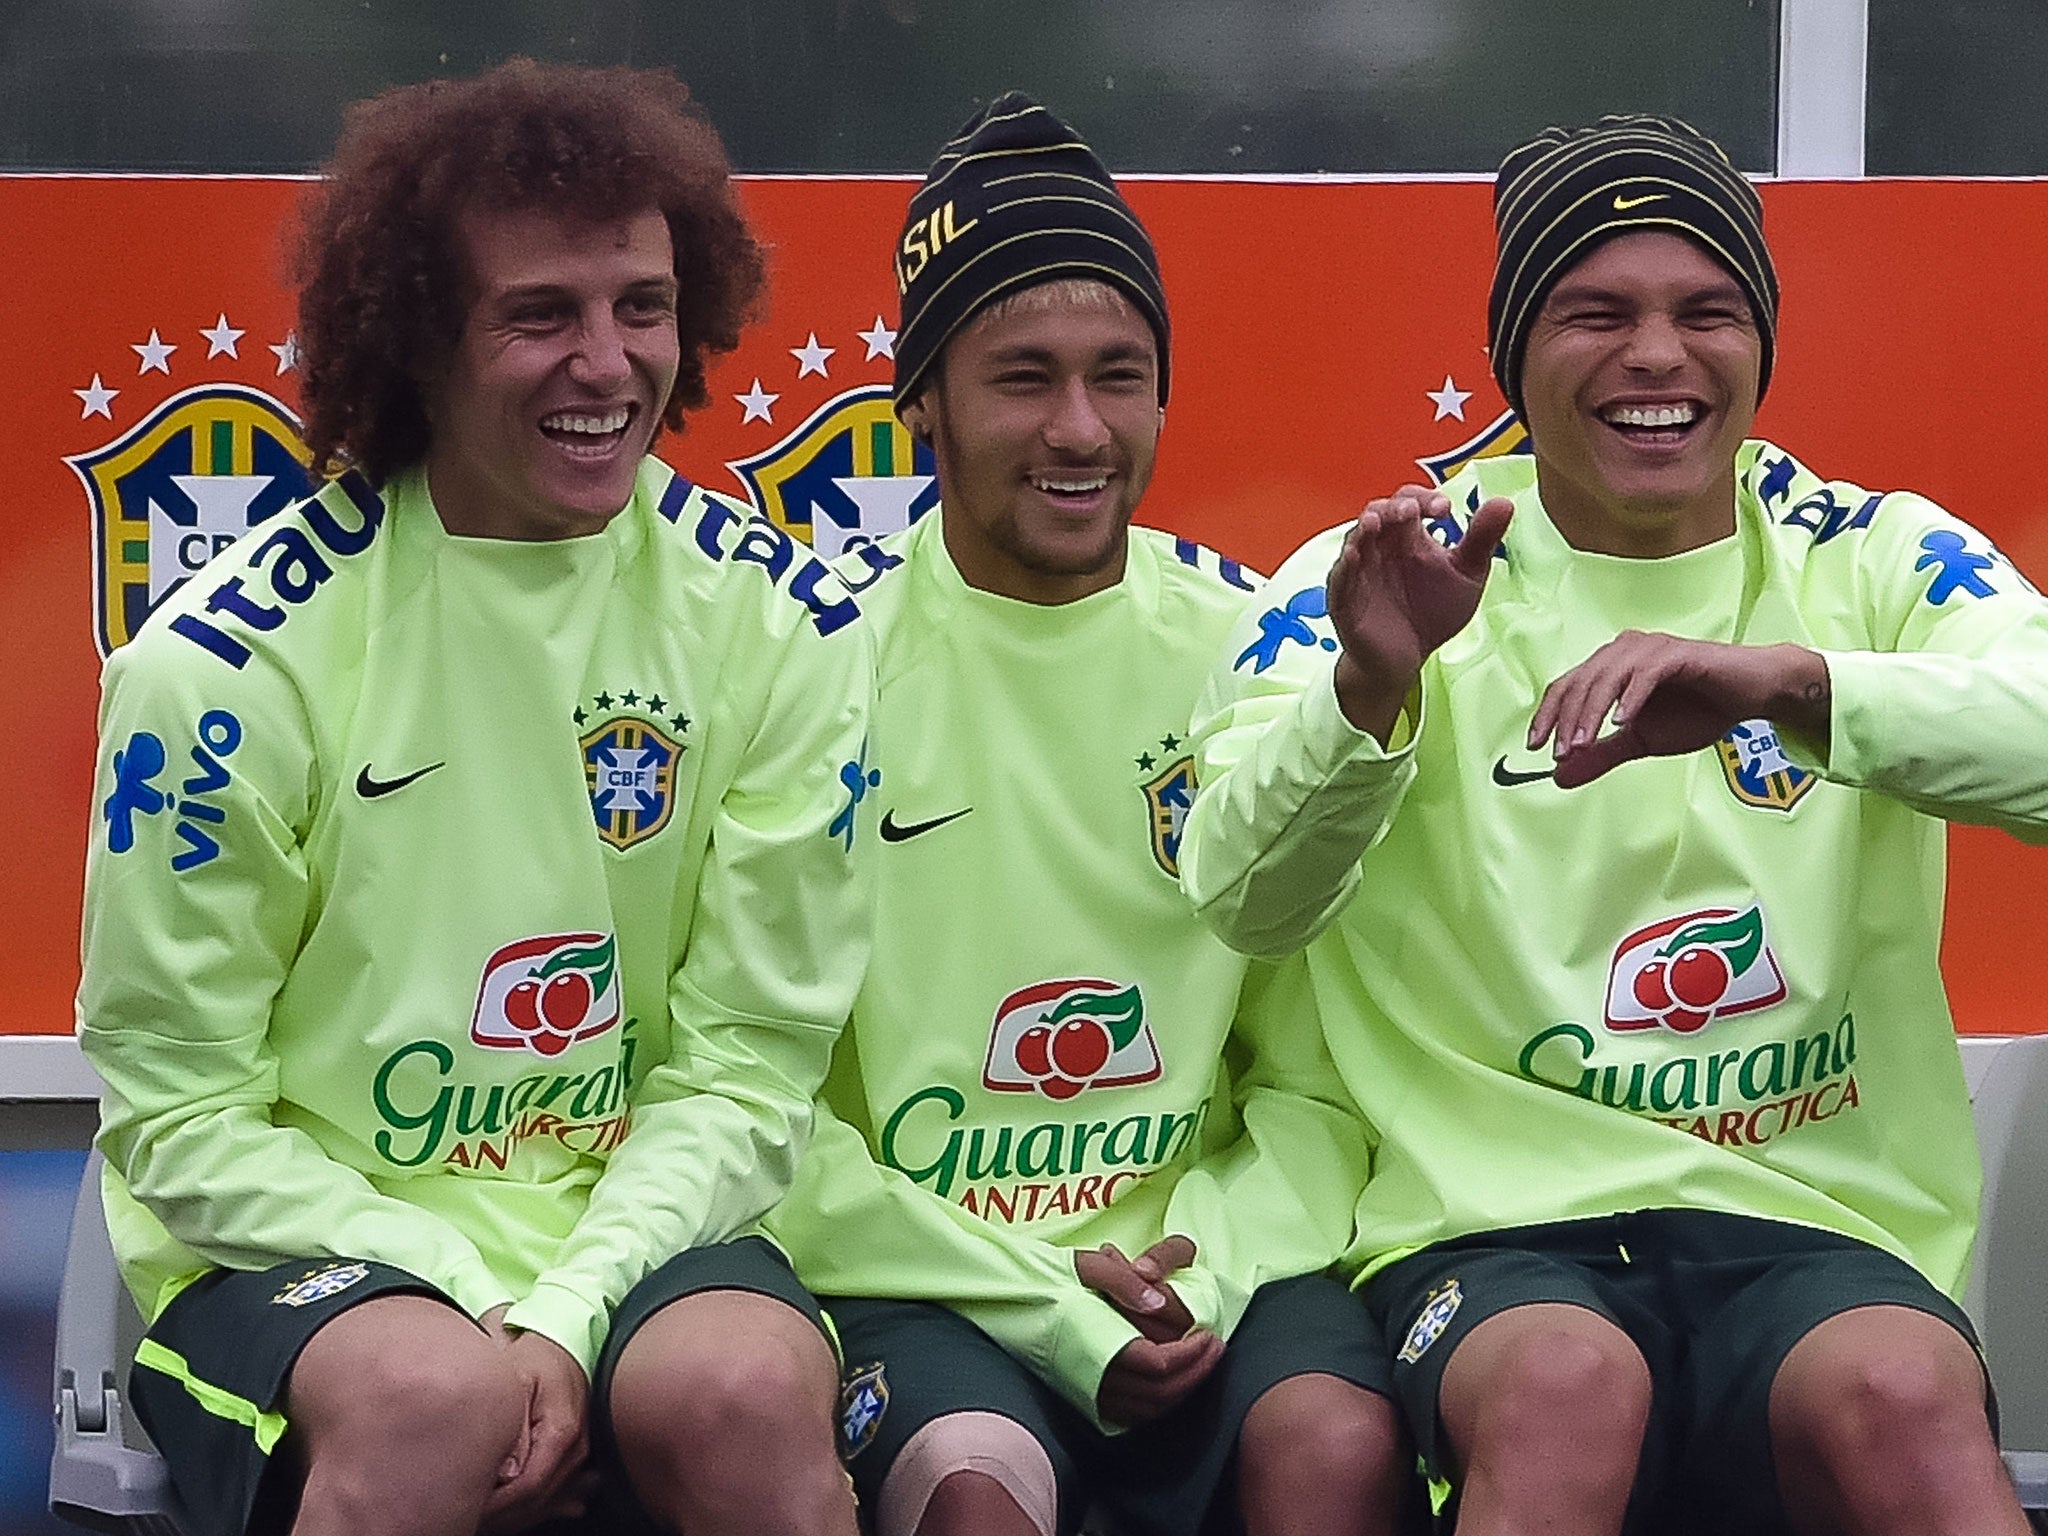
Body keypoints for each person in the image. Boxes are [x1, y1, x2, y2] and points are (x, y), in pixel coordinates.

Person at [1179, 112, 2048, 1536]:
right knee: (1567, 1386)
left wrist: (1796, 687)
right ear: (1511, 357)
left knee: (1904, 1396)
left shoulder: (1869, 554)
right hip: (1494, 1235)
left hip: (1808, 1223)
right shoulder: (1402, 573)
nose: (1658, 356)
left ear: (1762, 347)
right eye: (1596, 312)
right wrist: (1369, 689)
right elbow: (1242, 901)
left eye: (1708, 311)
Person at [78, 60, 875, 1536]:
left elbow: (749, 1073)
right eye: (539, 315)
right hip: (319, 1253)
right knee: (431, 1400)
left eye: (641, 305)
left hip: (638, 1227)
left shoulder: (783, 624)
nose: (608, 361)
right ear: (414, 342)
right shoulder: (224, 667)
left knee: (746, 1394)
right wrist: (469, 1298)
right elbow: (179, 1113)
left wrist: (563, 1308)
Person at [760, 93, 1412, 1536]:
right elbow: (759, 1107)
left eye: (1120, 377)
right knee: (978, 1495)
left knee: (1336, 1455)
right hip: (929, 1282)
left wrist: (1208, 1267)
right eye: (1022, 379)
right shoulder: (811, 673)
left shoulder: (1261, 650)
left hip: (1206, 1272)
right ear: (916, 399)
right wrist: (1046, 1301)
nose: (1079, 429)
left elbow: (1319, 1085)